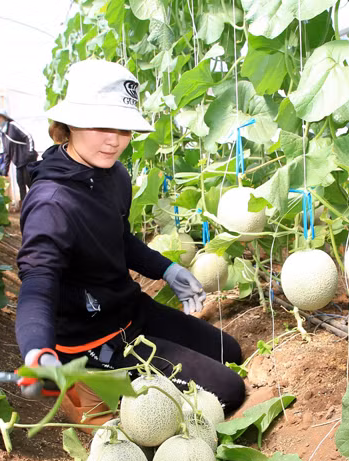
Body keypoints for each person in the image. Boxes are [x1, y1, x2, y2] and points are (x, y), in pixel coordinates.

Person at [15, 60, 245, 431]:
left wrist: (166, 269)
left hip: (129, 312)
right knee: (227, 391)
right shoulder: (51, 203)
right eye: (102, 126)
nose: (114, 139)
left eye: (124, 128)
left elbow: (119, 239)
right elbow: (37, 285)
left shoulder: (114, 175)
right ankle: (87, 384)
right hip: (91, 340)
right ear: (70, 124)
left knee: (229, 352)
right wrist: (38, 348)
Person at [0, 109, 37, 209]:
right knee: (20, 184)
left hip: (27, 161)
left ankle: (38, 203)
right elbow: (7, 153)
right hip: (18, 163)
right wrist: (5, 170)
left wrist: (29, 153)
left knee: (29, 182)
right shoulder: (3, 134)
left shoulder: (12, 126)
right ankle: (25, 207)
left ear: (4, 118)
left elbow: (28, 136)